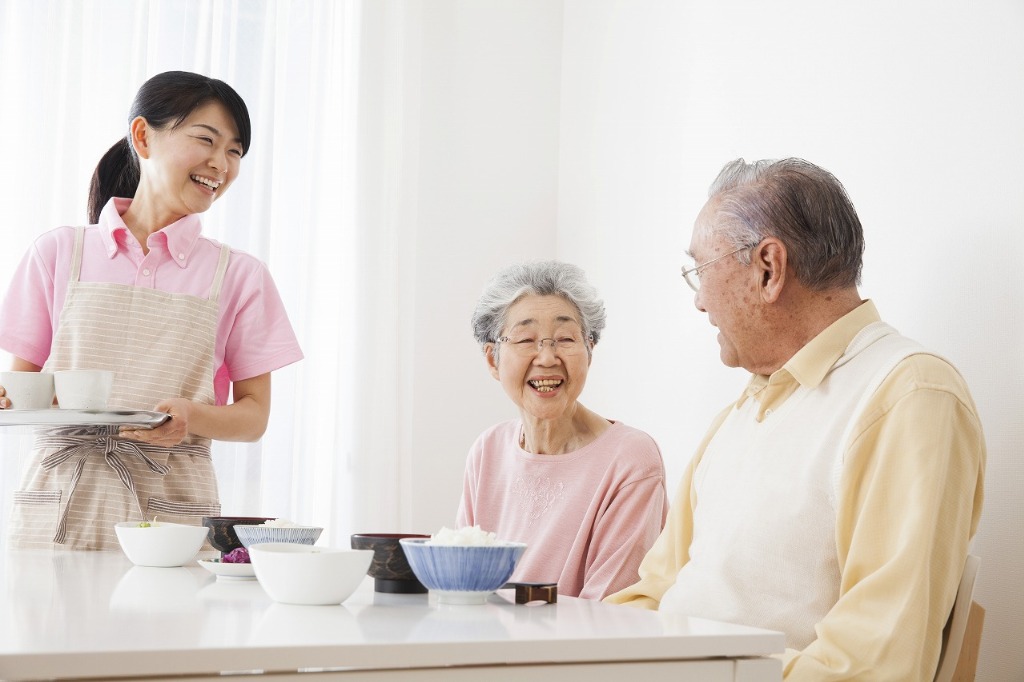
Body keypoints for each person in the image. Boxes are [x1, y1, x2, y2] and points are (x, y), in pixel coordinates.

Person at [605, 158, 986, 680]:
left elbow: (873, 665)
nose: (698, 302)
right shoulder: (739, 416)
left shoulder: (910, 397)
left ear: (768, 268)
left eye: (699, 270)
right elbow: (654, 593)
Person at [0, 71, 303, 550]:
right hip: (59, 500)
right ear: (143, 136)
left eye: (234, 151)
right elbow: (22, 390)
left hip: (172, 509)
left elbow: (254, 417)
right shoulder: (58, 253)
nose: (220, 163)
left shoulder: (240, 275)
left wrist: (191, 415)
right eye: (206, 139)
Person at [460, 260, 668, 600]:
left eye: (565, 339)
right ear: (493, 360)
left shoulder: (631, 459)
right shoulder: (488, 451)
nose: (547, 358)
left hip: (575, 651)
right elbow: (465, 587)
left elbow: (610, 610)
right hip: (487, 647)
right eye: (526, 339)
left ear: (590, 351)